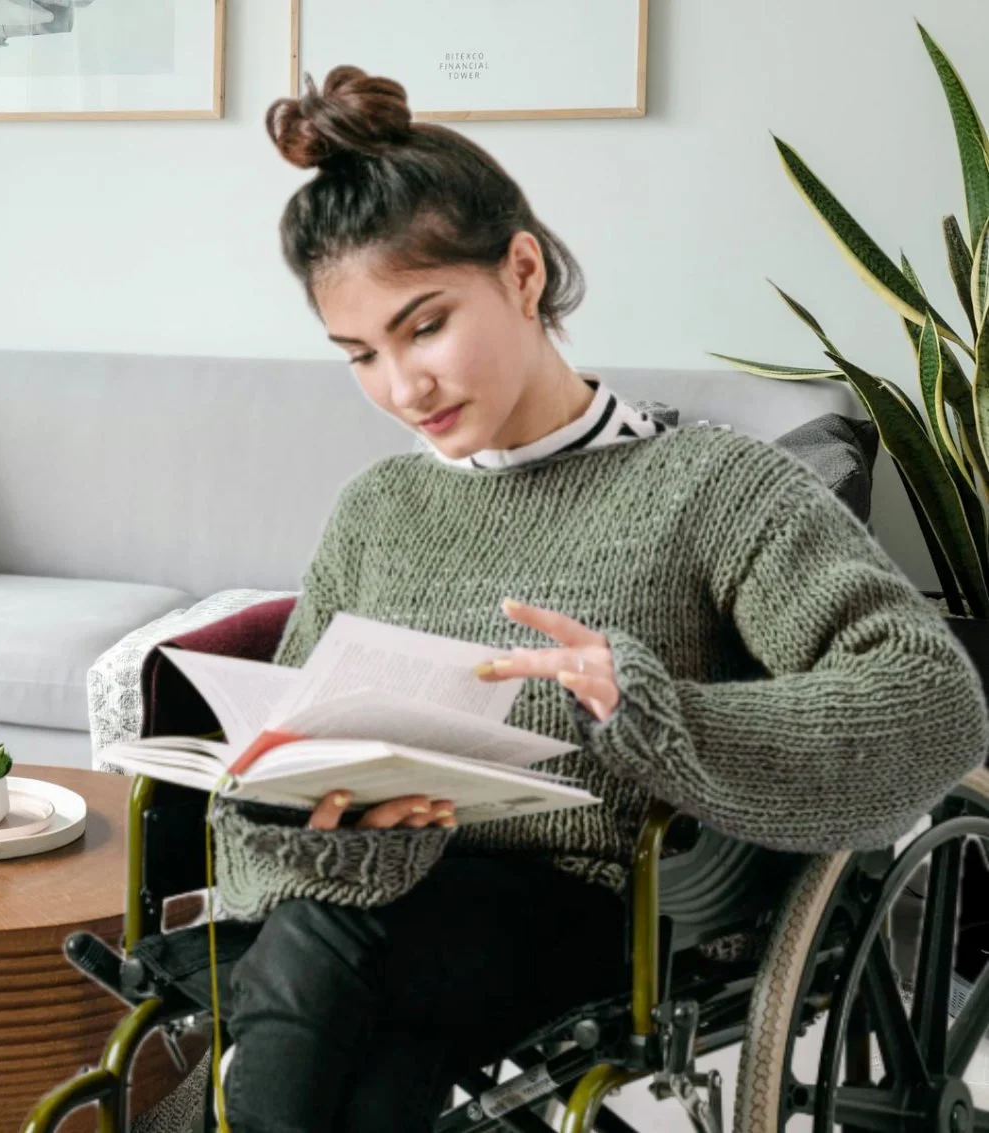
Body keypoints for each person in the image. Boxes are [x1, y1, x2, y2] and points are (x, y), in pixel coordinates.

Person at [196, 65, 989, 1133]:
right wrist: (319, 806)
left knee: (316, 945)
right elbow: (285, 750)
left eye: (422, 326)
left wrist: (651, 711)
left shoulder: (707, 483)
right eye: (359, 355)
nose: (401, 387)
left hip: (600, 909)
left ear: (520, 270)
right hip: (398, 913)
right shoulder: (376, 506)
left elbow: (932, 699)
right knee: (372, 1065)